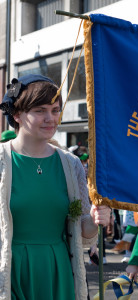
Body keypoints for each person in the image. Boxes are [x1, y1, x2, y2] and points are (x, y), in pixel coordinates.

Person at [0, 74, 111, 300]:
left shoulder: (71, 164)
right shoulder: (2, 160)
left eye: (55, 110)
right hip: (10, 270)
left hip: (59, 270)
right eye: (40, 110)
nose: (50, 118)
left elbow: (83, 233)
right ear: (17, 114)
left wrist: (95, 219)